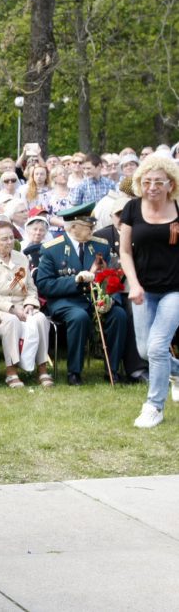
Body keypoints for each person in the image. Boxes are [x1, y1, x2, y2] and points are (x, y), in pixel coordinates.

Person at [36, 202, 127, 385]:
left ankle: (113, 369)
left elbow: (111, 276)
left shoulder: (100, 246)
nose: (93, 229)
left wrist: (112, 299)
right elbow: (45, 285)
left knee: (119, 314)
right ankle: (74, 372)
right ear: (74, 227)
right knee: (79, 317)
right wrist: (74, 281)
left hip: (96, 299)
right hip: (66, 301)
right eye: (89, 226)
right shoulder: (52, 249)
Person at [119, 156, 179, 428]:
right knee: (146, 351)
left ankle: (154, 406)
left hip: (174, 290)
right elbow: (125, 251)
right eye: (147, 181)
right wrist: (134, 284)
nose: (152, 186)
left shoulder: (178, 208)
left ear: (170, 184)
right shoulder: (132, 208)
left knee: (157, 347)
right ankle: (175, 372)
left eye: (158, 182)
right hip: (143, 290)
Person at [0, 220, 53, 387]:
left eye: (11, 238)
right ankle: (11, 372)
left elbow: (31, 288)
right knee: (11, 321)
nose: (9, 242)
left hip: (22, 303)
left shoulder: (21, 257)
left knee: (40, 319)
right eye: (4, 239)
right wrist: (11, 309)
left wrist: (30, 304)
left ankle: (42, 369)